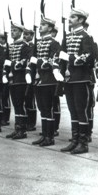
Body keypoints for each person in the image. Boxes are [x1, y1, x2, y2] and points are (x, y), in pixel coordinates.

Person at [59, 7, 95, 155]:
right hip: (69, 79)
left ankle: (83, 143)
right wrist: (59, 72)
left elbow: (88, 57)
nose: (70, 19)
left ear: (80, 20)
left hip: (81, 78)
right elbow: (61, 55)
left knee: (81, 111)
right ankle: (74, 141)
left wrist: (71, 58)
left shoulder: (86, 36)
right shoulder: (67, 36)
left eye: (73, 17)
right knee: (73, 110)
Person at [28, 15, 62, 146]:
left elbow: (54, 60)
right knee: (42, 108)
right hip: (39, 79)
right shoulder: (39, 42)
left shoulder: (54, 43)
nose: (40, 27)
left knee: (48, 108)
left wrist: (40, 63)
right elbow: (33, 59)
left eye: (43, 25)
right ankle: (45, 135)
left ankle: (50, 137)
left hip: (49, 79)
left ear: (50, 28)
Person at [3, 22, 32, 139]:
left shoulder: (25, 46)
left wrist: (14, 65)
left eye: (15, 30)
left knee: (20, 104)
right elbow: (6, 61)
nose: (12, 32)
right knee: (16, 105)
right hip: (12, 79)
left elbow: (26, 60)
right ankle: (17, 128)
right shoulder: (10, 46)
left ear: (20, 32)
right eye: (12, 30)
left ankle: (22, 130)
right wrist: (5, 73)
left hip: (20, 78)